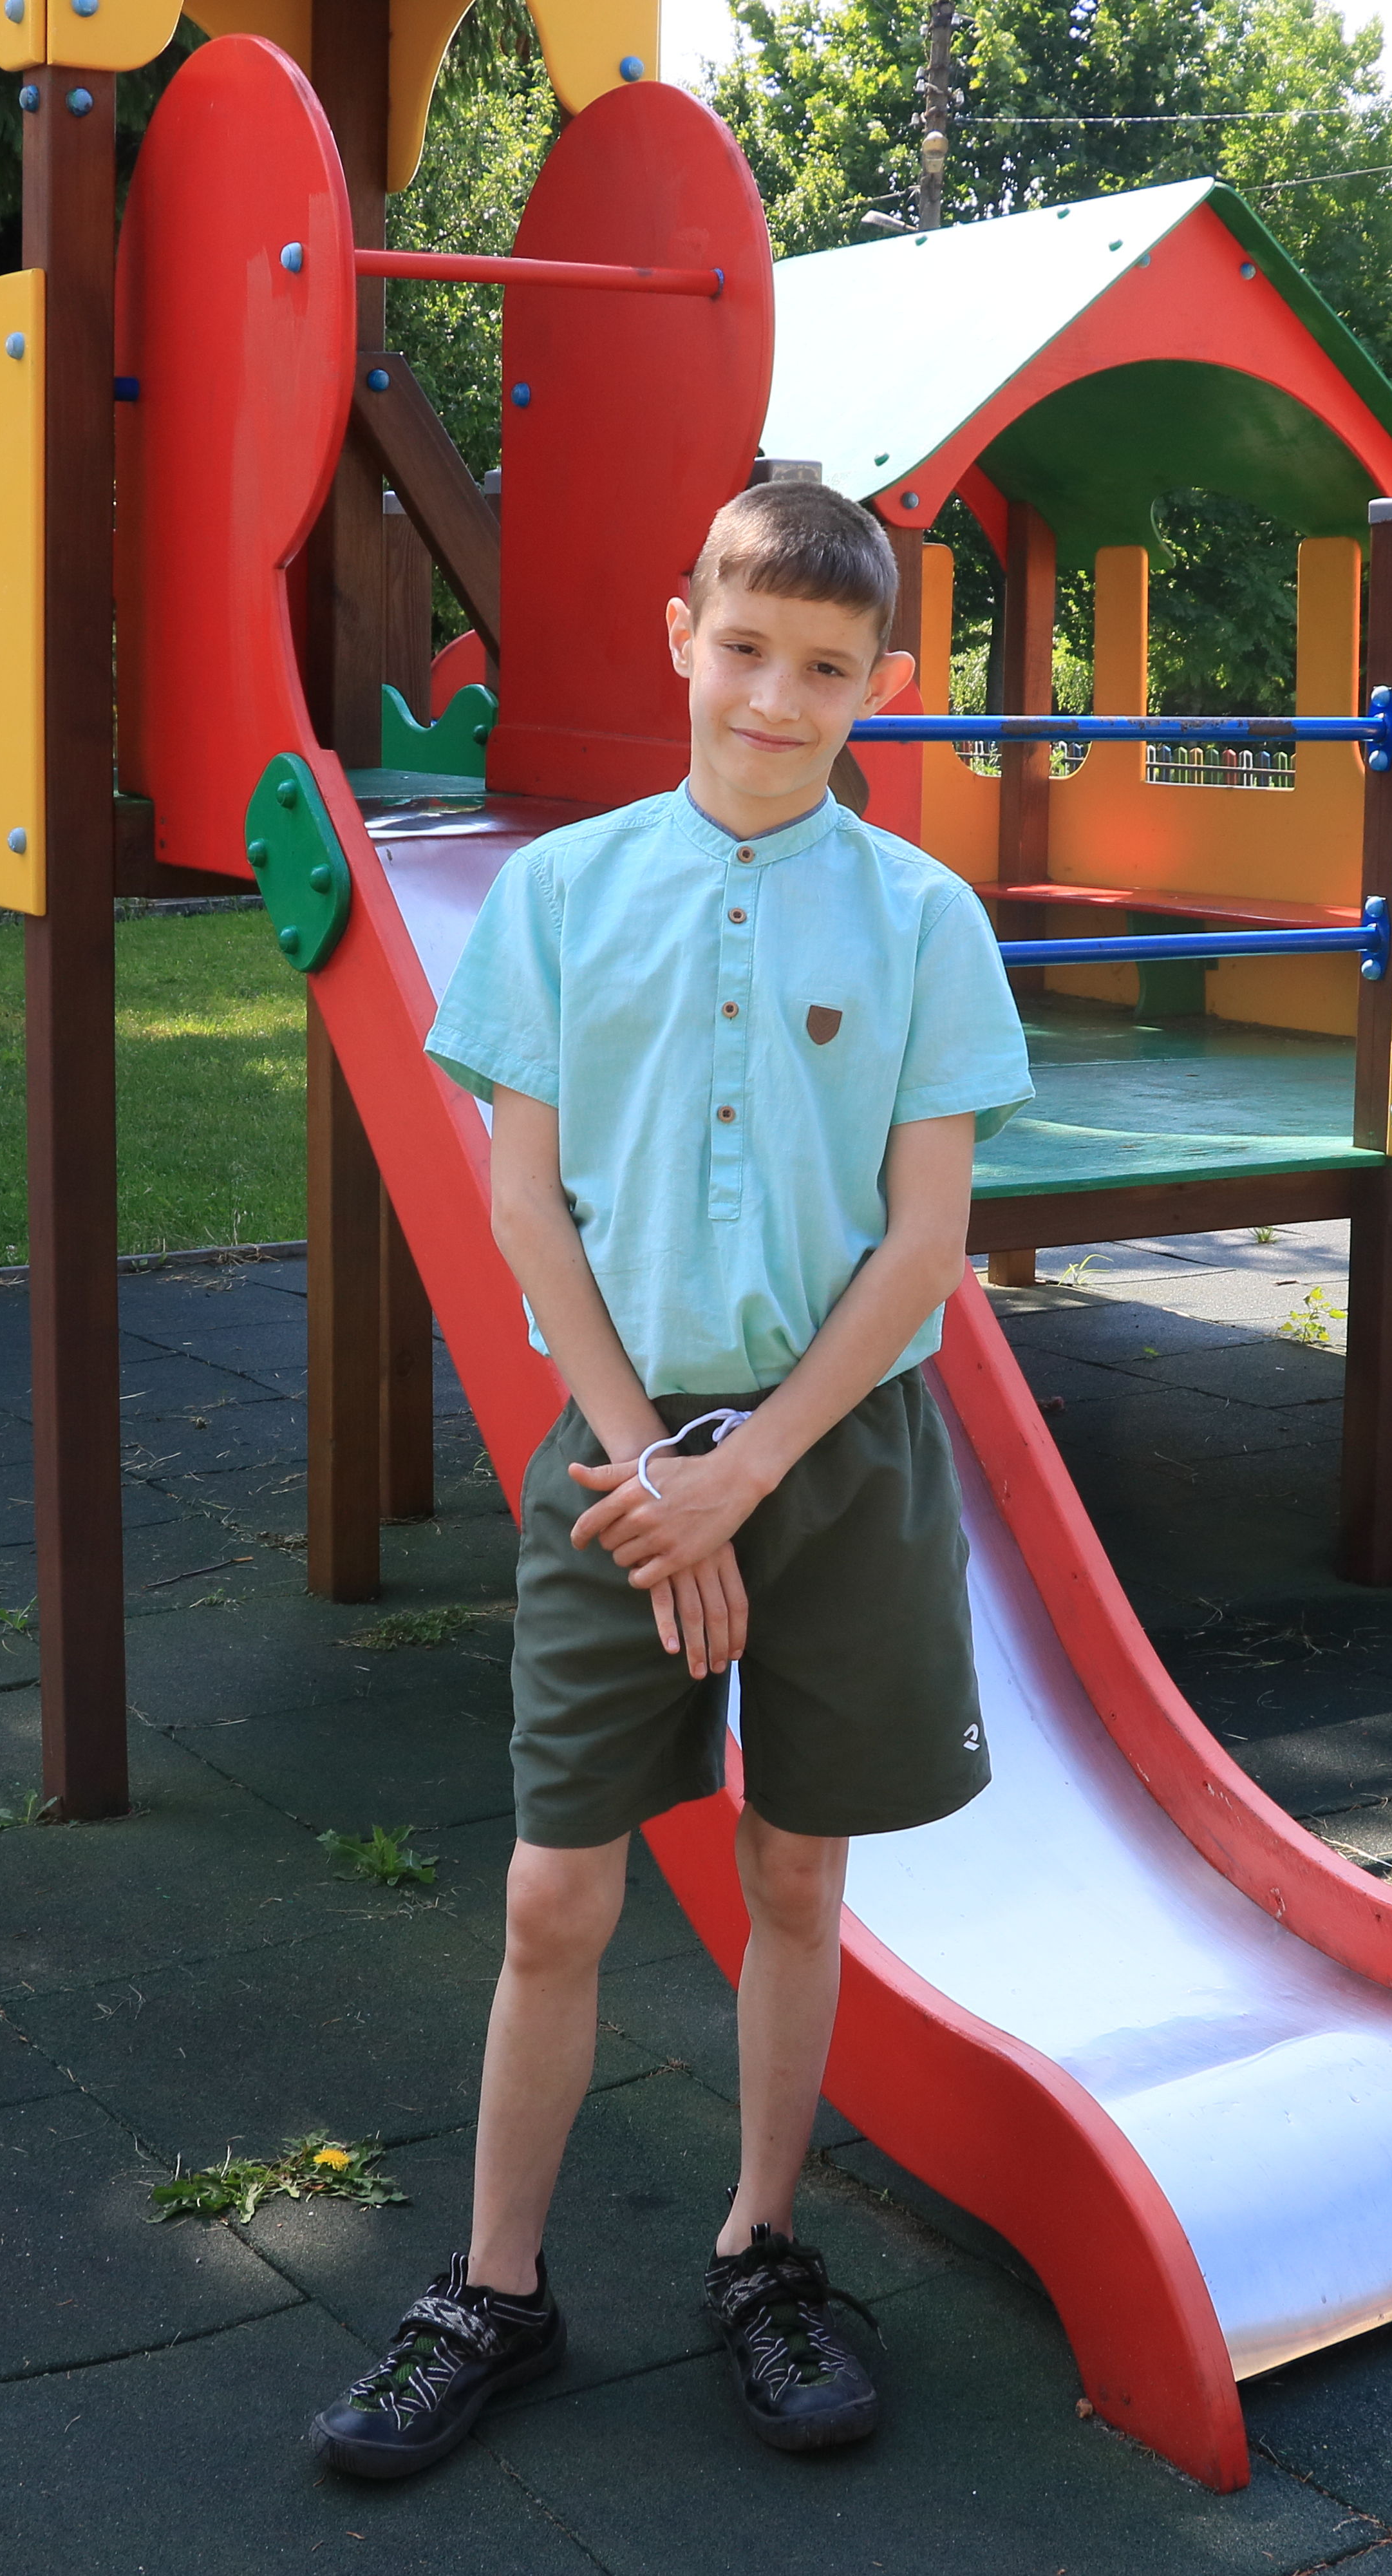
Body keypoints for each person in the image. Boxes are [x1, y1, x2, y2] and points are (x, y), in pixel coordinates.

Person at [308, 479, 1031, 2477]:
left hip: (840, 1456)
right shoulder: (560, 895)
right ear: (678, 637)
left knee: (797, 1865)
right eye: (746, 651)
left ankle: (761, 2247)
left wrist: (749, 1475)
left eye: (826, 669)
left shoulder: (923, 920)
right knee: (558, 1890)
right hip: (619, 1451)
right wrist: (656, 1472)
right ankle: (495, 2290)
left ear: (883, 685)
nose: (776, 699)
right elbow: (523, 1207)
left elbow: (923, 1249)